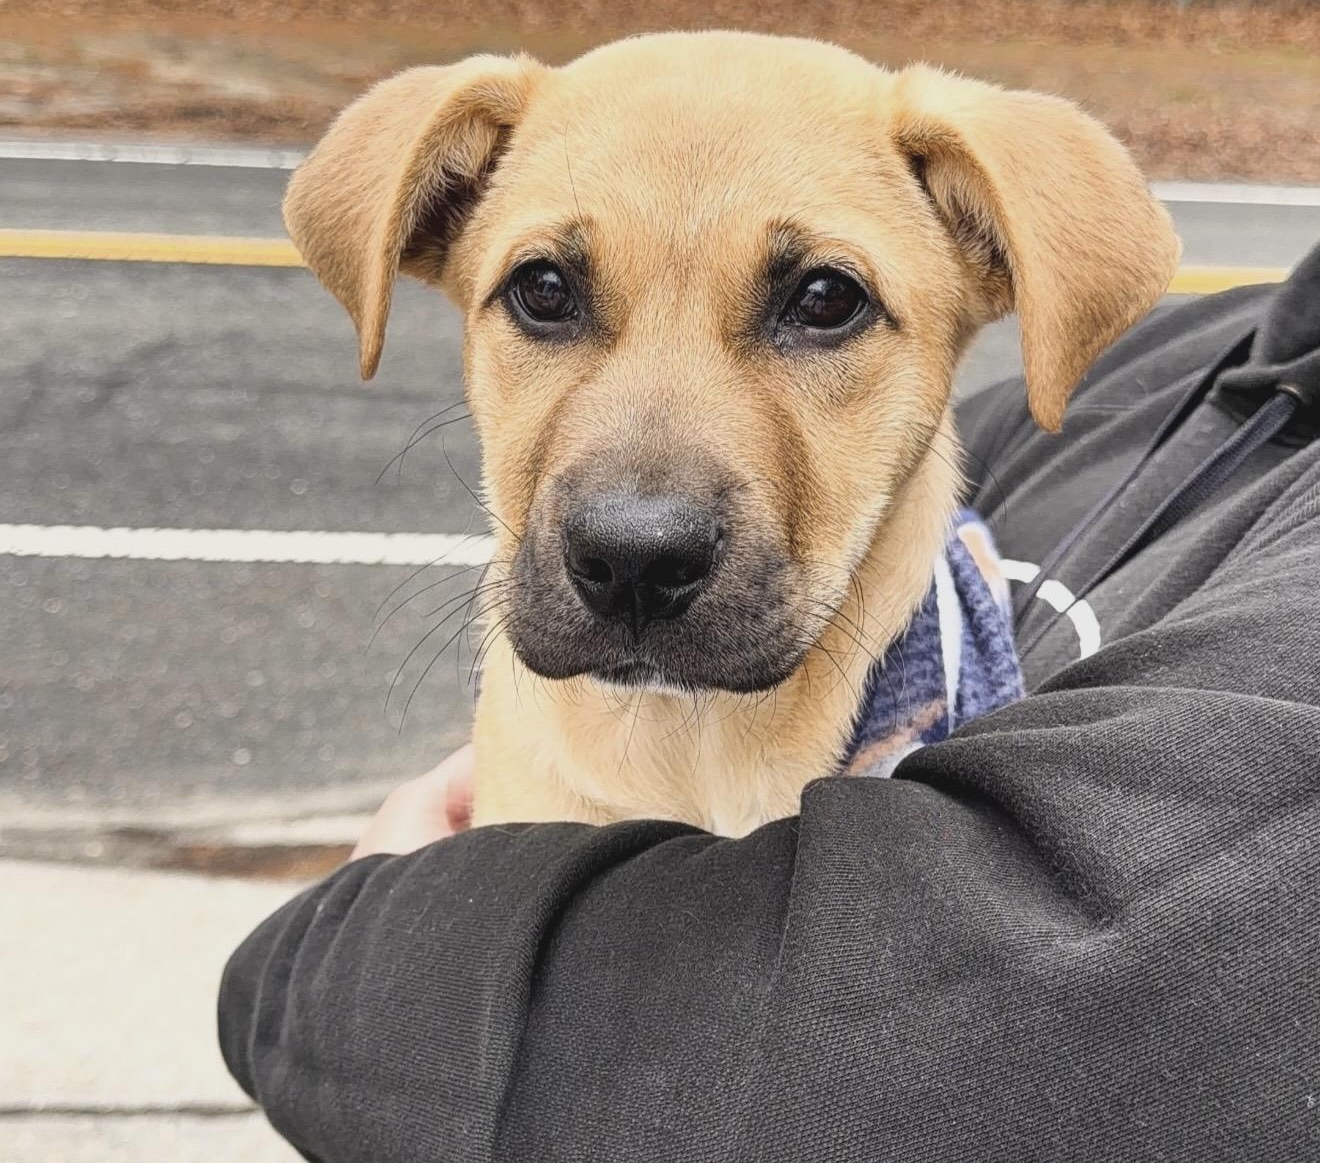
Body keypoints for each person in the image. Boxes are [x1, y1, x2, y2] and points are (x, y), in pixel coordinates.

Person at [219, 244, 1320, 1162]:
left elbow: (952, 1062)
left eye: (822, 303)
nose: (639, 520)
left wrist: (361, 944)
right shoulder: (1195, 363)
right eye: (547, 296)